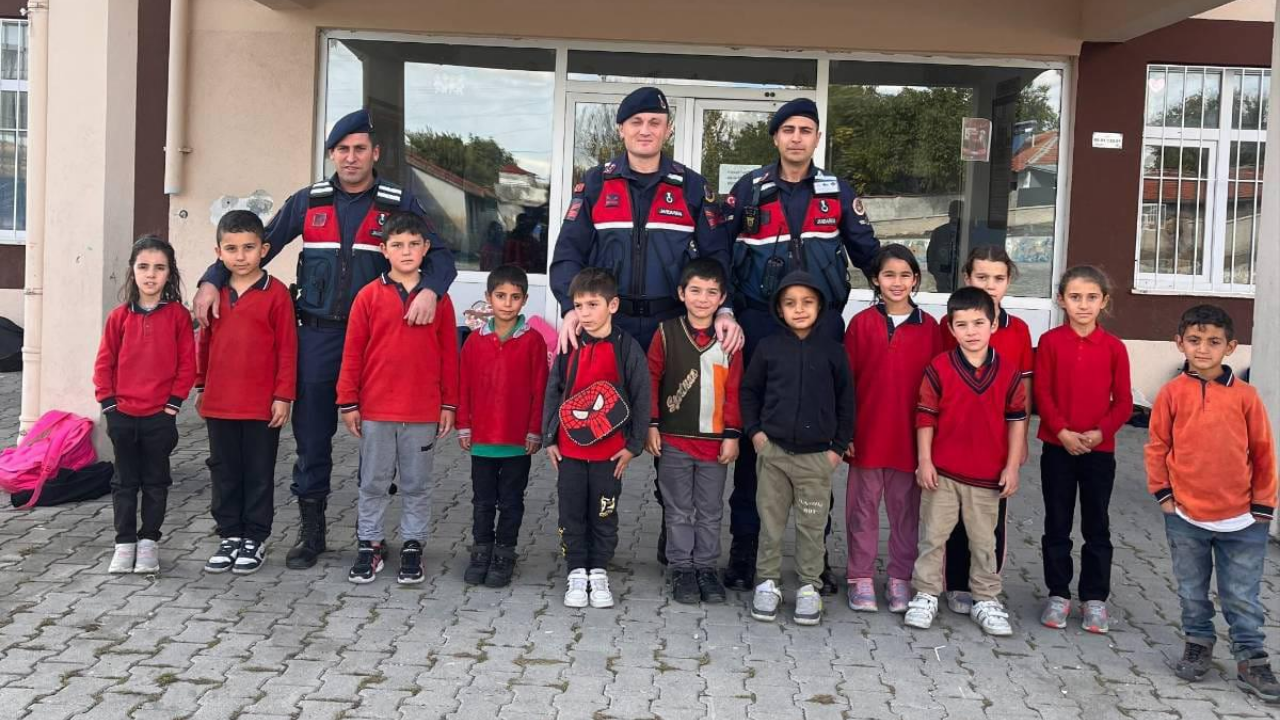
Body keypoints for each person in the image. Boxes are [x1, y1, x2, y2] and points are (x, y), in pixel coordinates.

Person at [190, 108, 458, 570]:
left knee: (379, 439)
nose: (351, 158)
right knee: (312, 439)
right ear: (332, 154)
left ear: (375, 153)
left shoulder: (398, 201)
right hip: (317, 338)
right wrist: (211, 280)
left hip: (376, 346)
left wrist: (431, 291)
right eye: (342, 150)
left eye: (360, 149)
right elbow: (257, 245)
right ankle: (311, 532)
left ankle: (373, 535)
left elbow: (442, 257)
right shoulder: (307, 201)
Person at [549, 86, 736, 565]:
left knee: (667, 431)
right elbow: (567, 255)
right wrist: (571, 307)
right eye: (636, 122)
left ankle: (674, 540)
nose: (646, 130)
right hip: (606, 328)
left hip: (668, 327)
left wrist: (723, 310)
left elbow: (716, 259)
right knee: (595, 421)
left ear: (668, 129)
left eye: (655, 122)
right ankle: (589, 541)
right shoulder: (596, 184)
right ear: (622, 130)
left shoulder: (690, 187)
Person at [722, 97, 879, 595]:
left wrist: (896, 294)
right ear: (775, 137)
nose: (796, 137)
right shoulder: (749, 188)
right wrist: (723, 309)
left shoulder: (837, 191)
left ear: (816, 138)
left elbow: (870, 253)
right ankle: (745, 550)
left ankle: (817, 556)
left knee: (814, 435)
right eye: (787, 129)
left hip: (822, 325)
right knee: (757, 443)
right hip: (759, 323)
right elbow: (719, 252)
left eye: (805, 130)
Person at [1146, 305, 1279, 703]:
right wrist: (1163, 495)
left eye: (1213, 342)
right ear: (1180, 343)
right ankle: (1198, 643)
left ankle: (1252, 658)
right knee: (1191, 590)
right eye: (1194, 340)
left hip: (1243, 519)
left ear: (1230, 347)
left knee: (1241, 594)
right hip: (1185, 516)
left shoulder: (1246, 397)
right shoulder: (1172, 394)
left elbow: (1263, 451)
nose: (1203, 349)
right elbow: (1157, 446)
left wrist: (1263, 505)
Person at [336, 212, 459, 585]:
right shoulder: (368, 296)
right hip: (376, 410)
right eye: (397, 245)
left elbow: (449, 355)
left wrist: (448, 403)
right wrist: (348, 401)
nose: (406, 251)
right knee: (373, 481)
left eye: (413, 244)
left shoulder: (439, 300)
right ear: (384, 250)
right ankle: (369, 543)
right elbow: (352, 352)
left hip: (422, 411)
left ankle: (412, 544)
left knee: (416, 484)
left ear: (425, 248)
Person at [904, 287, 1027, 637]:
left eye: (978, 323)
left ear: (993, 325)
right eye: (962, 324)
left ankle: (985, 598)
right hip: (942, 474)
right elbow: (925, 417)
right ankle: (926, 594)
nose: (971, 331)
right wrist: (924, 460)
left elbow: (1017, 420)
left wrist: (1012, 466)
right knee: (933, 537)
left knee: (984, 542)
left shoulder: (1009, 372)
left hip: (987, 477)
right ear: (951, 328)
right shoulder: (939, 368)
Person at [743, 271, 854, 627]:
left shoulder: (834, 352)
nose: (799, 309)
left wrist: (837, 449)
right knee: (770, 524)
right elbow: (749, 392)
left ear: (820, 306)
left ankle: (809, 586)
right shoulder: (768, 348)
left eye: (807, 302)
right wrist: (756, 434)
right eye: (790, 303)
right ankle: (767, 583)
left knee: (812, 526)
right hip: (774, 455)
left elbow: (847, 403)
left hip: (816, 459)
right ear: (779, 309)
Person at [196, 210, 298, 575]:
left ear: (264, 249)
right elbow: (204, 343)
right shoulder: (214, 294)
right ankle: (229, 535)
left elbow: (287, 349)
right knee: (224, 471)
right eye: (231, 248)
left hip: (260, 405)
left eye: (249, 248)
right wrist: (201, 385)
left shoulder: (277, 294)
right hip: (220, 403)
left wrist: (283, 396)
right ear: (218, 253)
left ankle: (255, 537)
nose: (240, 256)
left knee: (258, 472)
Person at [542, 268, 649, 609]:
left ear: (612, 305)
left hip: (610, 455)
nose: (585, 313)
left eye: (593, 304)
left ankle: (599, 570)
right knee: (571, 512)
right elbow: (553, 390)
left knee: (604, 512)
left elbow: (642, 396)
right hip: (570, 452)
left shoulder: (627, 348)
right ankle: (576, 570)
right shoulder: (569, 345)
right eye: (579, 305)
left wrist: (633, 446)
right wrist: (549, 438)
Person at [842, 244, 941, 613]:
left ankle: (901, 576)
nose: (896, 282)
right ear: (875, 280)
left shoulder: (930, 328)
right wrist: (845, 432)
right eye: (888, 275)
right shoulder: (861, 324)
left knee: (906, 513)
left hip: (909, 439)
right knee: (862, 511)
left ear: (915, 280)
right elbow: (846, 383)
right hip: (867, 436)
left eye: (904, 275)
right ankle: (860, 577)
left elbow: (939, 388)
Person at [1035, 266, 1132, 633]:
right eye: (1075, 297)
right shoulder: (1050, 342)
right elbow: (1042, 392)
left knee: (1097, 524)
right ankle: (1058, 594)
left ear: (1104, 301)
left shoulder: (1114, 348)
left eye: (1092, 297)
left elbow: (1123, 401)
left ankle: (1094, 598)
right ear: (1061, 300)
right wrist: (1062, 431)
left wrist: (1099, 433)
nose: (1083, 305)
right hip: (1057, 447)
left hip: (1099, 451)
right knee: (1057, 522)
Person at [937, 245, 1033, 615]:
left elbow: (1024, 391)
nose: (990, 286)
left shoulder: (1018, 330)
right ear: (967, 278)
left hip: (996, 445)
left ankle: (985, 586)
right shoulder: (953, 324)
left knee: (989, 519)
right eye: (981, 277)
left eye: (998, 278)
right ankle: (954, 584)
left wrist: (1019, 444)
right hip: (954, 440)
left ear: (1008, 282)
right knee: (950, 518)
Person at [94, 236, 195, 575]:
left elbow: (187, 365)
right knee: (124, 482)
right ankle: (124, 543)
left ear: (170, 273)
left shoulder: (178, 316)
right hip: (122, 416)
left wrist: (172, 406)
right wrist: (109, 407)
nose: (151, 274)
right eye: (144, 267)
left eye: (159, 268)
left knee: (155, 482)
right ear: (132, 271)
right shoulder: (119, 317)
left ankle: (149, 541)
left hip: (159, 417)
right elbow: (104, 364)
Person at [645, 258, 743, 605]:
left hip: (715, 443)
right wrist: (651, 424)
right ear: (681, 293)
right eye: (696, 291)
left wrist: (733, 433)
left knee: (710, 509)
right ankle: (682, 568)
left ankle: (705, 567)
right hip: (674, 439)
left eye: (711, 292)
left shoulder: (729, 338)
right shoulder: (665, 332)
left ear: (722, 298)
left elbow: (736, 388)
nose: (703, 299)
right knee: (678, 509)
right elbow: (651, 379)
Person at [457, 264, 549, 588]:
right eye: (500, 296)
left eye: (514, 297)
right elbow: (463, 386)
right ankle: (481, 550)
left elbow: (540, 389)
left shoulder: (533, 341)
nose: (507, 303)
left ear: (524, 300)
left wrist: (535, 430)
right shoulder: (474, 341)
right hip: (482, 439)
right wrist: (464, 426)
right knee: (483, 500)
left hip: (516, 441)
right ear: (488, 298)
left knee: (511, 501)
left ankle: (504, 553)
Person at [926, 200, 962, 292]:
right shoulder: (939, 232)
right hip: (943, 280)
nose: (956, 216)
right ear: (949, 214)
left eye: (958, 213)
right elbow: (931, 257)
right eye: (954, 212)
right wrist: (939, 273)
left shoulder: (968, 232)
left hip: (962, 278)